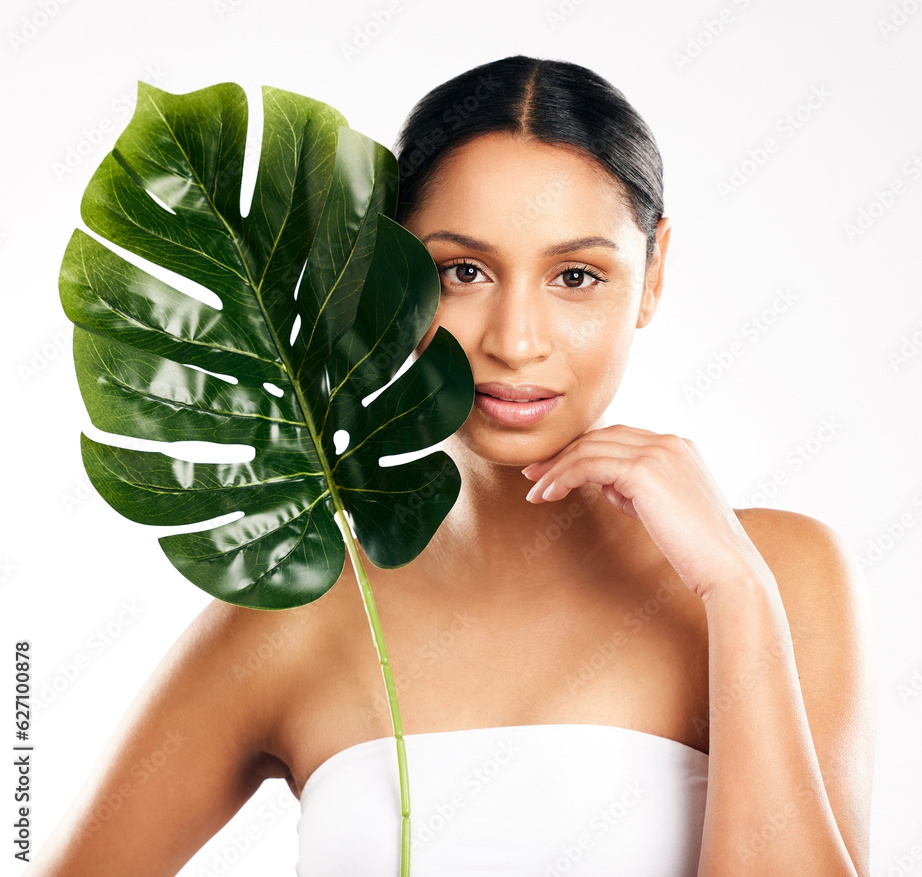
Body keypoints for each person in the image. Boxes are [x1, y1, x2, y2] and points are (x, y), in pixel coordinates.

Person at [25, 55, 875, 876]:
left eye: (576, 275)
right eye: (463, 270)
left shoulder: (776, 574)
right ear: (392, 271)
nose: (515, 339)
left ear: (652, 276)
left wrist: (734, 590)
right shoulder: (303, 608)